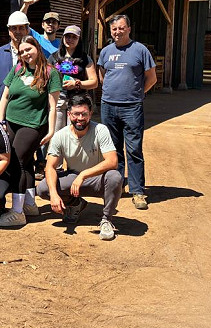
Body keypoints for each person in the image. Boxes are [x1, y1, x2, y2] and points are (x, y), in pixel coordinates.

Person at [0, 35, 62, 227]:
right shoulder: (18, 69)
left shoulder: (50, 73)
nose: (25, 54)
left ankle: (17, 212)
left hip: (33, 125)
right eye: (22, 51)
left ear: (37, 48)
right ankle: (30, 205)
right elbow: (5, 95)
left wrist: (50, 131)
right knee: (27, 163)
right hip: (11, 122)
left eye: (28, 50)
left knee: (16, 162)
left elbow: (52, 106)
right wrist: (1, 121)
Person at [37, 94, 121, 240]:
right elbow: (50, 167)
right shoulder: (60, 135)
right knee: (43, 188)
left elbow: (112, 161)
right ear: (69, 114)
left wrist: (84, 175)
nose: (80, 118)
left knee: (115, 177)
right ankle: (76, 204)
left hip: (98, 180)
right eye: (76, 114)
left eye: (84, 114)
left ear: (90, 114)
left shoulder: (101, 130)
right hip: (73, 178)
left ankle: (106, 220)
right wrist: (54, 195)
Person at [97, 14, 157, 210]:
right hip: (108, 106)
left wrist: (138, 95)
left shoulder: (140, 50)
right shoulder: (106, 52)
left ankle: (138, 191)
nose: (117, 32)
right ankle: (118, 185)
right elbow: (102, 75)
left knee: (134, 149)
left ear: (129, 29)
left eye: (121, 28)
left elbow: (151, 78)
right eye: (114, 29)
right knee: (113, 149)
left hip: (131, 107)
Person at [49, 25, 99, 131]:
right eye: (67, 36)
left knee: (75, 133)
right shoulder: (53, 57)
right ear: (62, 38)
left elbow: (94, 82)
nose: (70, 39)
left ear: (79, 39)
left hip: (77, 102)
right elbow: (46, 77)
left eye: (74, 37)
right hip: (58, 101)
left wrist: (77, 83)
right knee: (56, 134)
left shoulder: (85, 58)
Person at [0, 10, 30, 113]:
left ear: (27, 30)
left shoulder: (34, 53)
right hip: (2, 110)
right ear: (9, 31)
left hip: (27, 109)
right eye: (14, 28)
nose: (17, 31)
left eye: (21, 28)